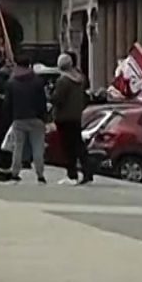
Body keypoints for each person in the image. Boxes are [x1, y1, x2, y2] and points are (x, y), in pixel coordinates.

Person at [3, 54, 48, 183]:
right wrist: (44, 117)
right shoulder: (37, 81)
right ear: (29, 65)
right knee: (38, 147)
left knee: (18, 147)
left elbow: (7, 103)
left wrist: (10, 117)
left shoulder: (12, 82)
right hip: (36, 119)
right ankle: (40, 174)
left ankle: (15, 172)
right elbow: (42, 101)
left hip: (19, 119)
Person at [50, 52, 91, 185]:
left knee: (68, 147)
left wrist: (50, 95)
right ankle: (87, 172)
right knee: (78, 145)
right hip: (76, 116)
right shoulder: (80, 79)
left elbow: (58, 99)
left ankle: (71, 175)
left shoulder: (63, 80)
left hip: (63, 117)